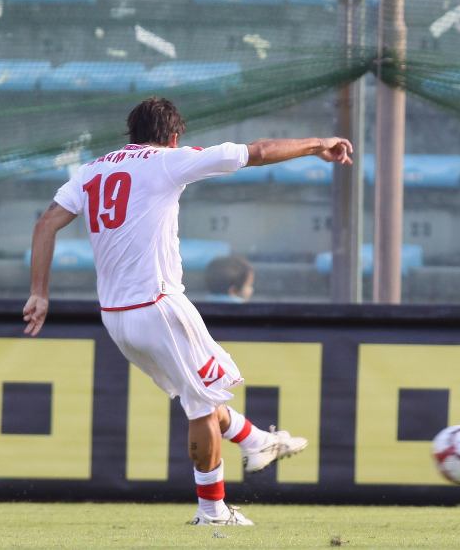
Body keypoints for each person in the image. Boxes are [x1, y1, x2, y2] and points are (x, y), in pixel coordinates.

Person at [22, 97, 353, 526]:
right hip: (158, 305)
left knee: (198, 389)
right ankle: (212, 512)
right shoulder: (168, 160)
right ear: (174, 136)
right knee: (200, 404)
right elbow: (259, 152)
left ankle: (254, 442)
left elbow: (45, 223)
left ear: (131, 134)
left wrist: (39, 293)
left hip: (116, 316)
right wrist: (317, 144)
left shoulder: (90, 170)